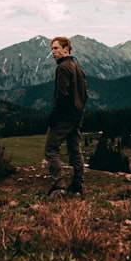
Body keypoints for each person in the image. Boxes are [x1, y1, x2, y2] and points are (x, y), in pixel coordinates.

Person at [44, 36, 88, 198]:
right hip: (76, 116)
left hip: (64, 117)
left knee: (50, 149)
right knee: (75, 149)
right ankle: (78, 185)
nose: (53, 52)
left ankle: (58, 187)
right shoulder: (76, 66)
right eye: (52, 49)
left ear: (66, 49)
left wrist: (53, 117)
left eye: (56, 48)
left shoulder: (62, 68)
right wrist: (79, 111)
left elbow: (61, 95)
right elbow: (85, 93)